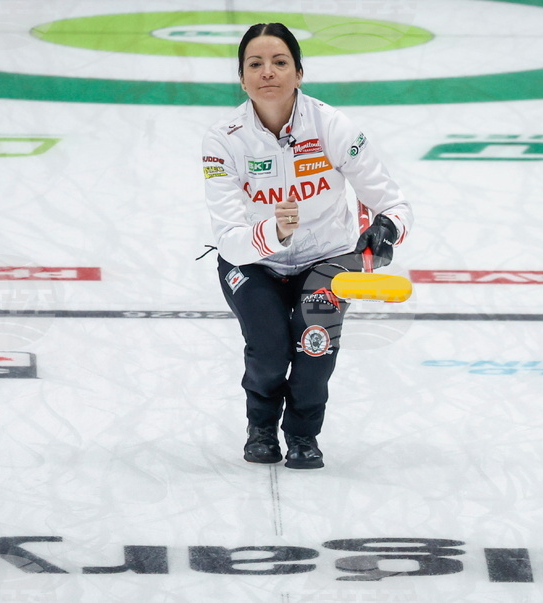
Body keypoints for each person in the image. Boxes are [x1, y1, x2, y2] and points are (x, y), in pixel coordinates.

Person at [201, 23, 413, 469]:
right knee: (270, 350)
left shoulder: (333, 126)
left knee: (315, 343)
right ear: (241, 78)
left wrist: (385, 230)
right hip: (252, 261)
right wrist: (274, 234)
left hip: (329, 257)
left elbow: (393, 203)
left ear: (299, 72)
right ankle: (260, 428)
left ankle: (302, 436)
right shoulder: (222, 140)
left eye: (280, 62)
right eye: (255, 64)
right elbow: (228, 238)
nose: (267, 72)